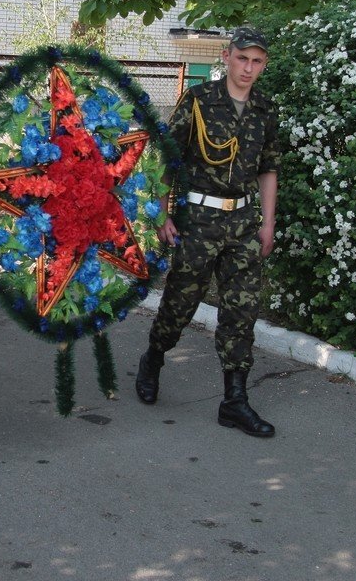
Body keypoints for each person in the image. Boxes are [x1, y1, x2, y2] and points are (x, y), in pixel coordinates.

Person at [134, 26, 280, 438]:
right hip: (198, 221)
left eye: (257, 62)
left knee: (242, 312)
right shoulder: (198, 101)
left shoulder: (265, 110)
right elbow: (168, 157)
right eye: (242, 59)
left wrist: (268, 223)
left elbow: (268, 170)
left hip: (244, 224)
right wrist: (162, 213)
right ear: (227, 56)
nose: (248, 68)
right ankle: (154, 357)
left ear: (263, 66)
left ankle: (234, 401)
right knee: (181, 304)